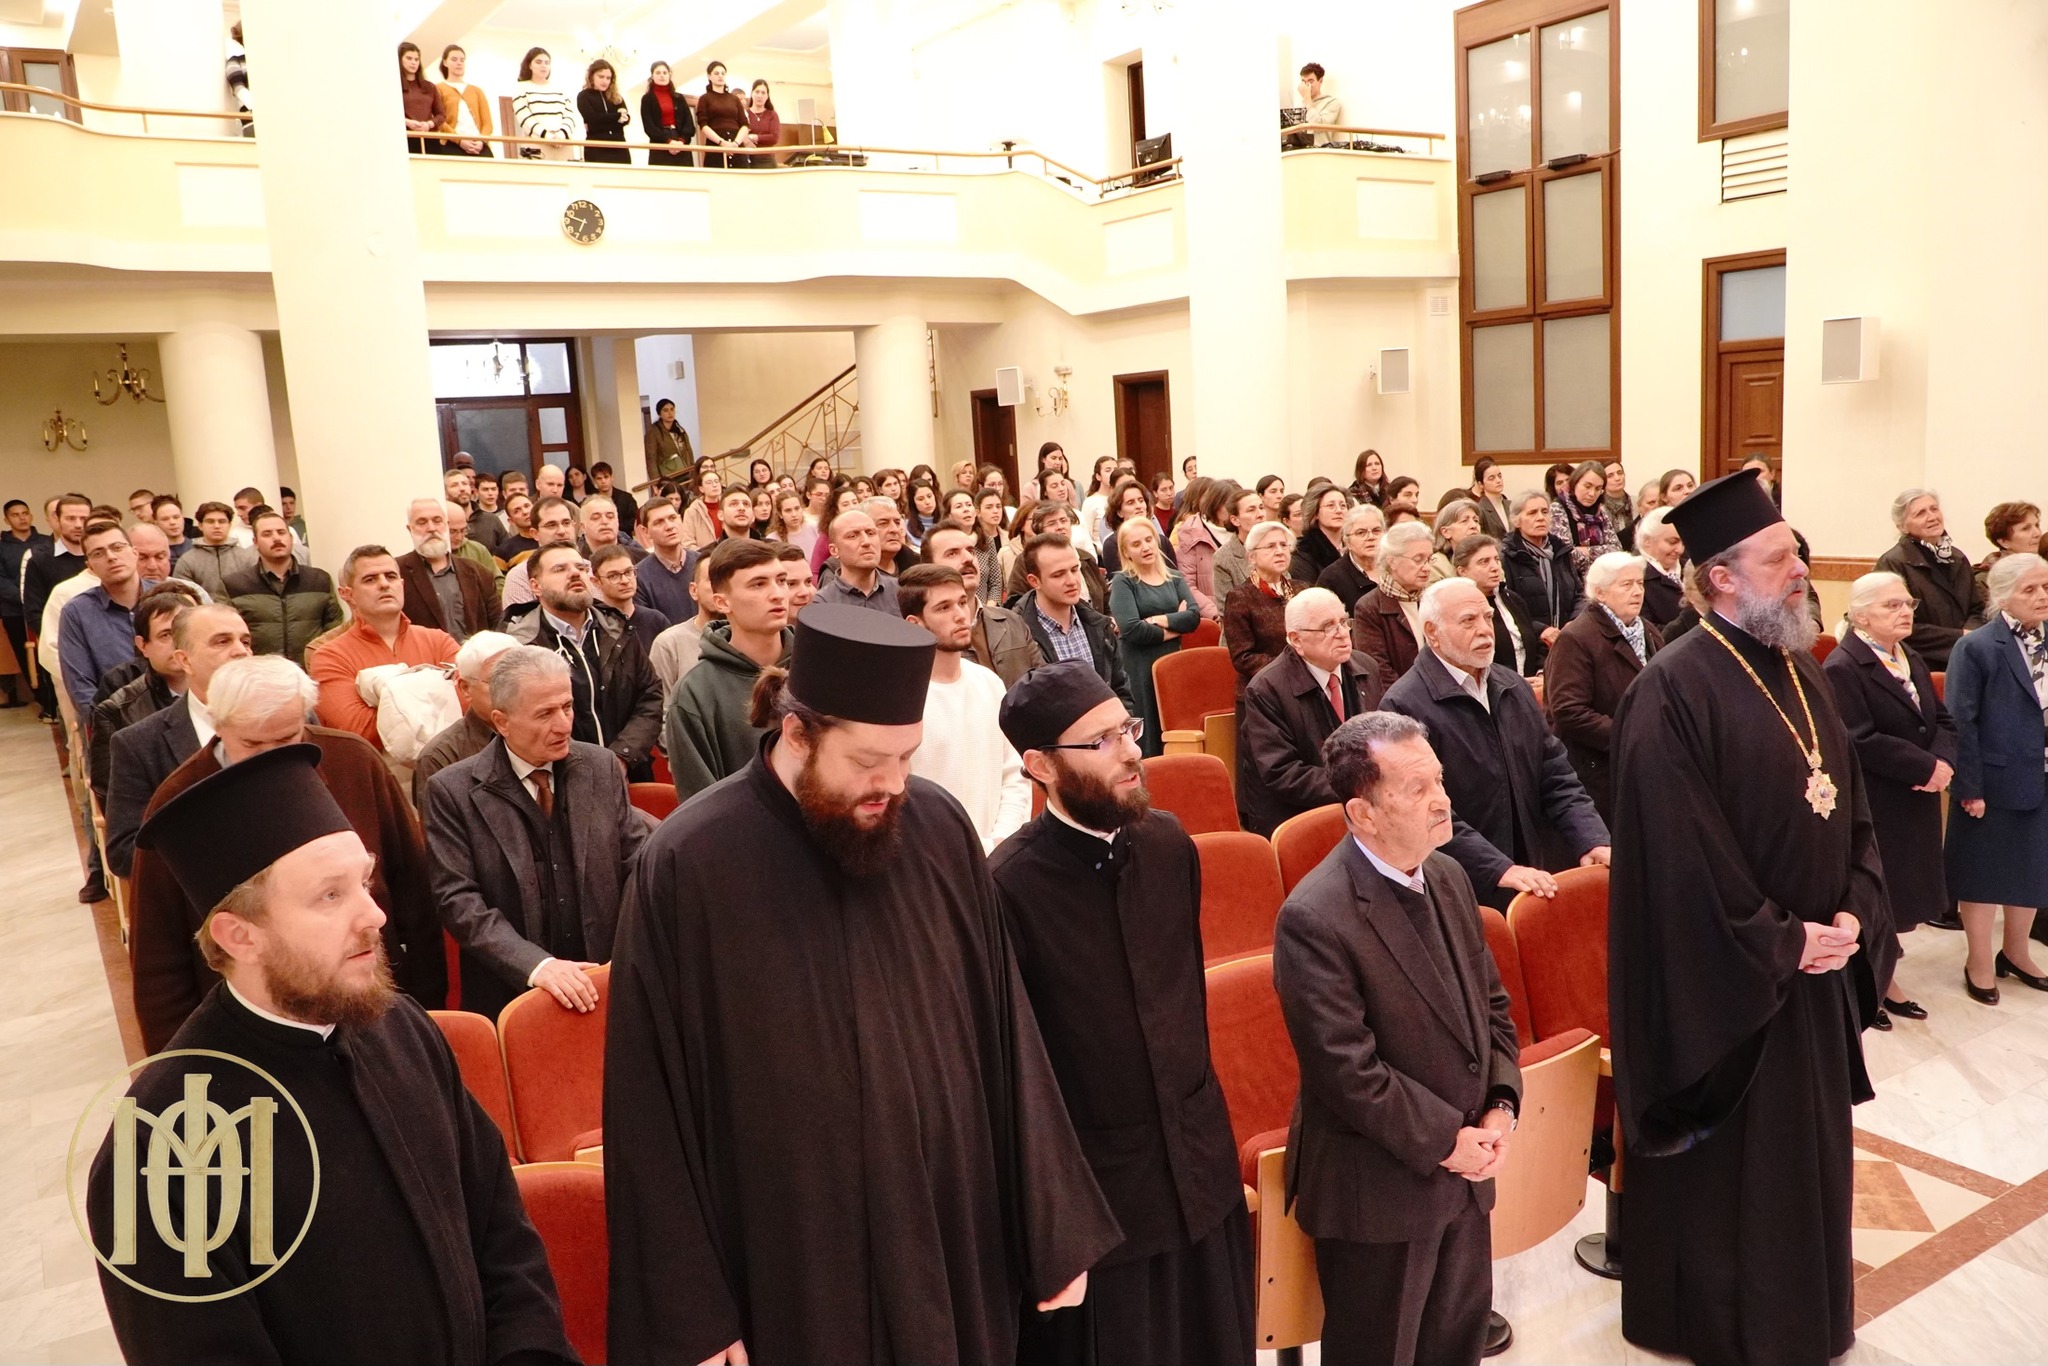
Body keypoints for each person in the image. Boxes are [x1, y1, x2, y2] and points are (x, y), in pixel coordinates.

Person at [606, 604, 1118, 1362]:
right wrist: (693, 1317)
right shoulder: (690, 862)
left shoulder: (936, 828)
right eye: (868, 761)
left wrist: (1052, 1226)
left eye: (907, 756)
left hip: (951, 1226)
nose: (893, 784)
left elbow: (1005, 1028)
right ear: (797, 733)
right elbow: (648, 1101)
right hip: (795, 1254)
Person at [89, 744, 574, 1366]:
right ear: (240, 936)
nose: (375, 915)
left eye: (364, 883)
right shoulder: (159, 1147)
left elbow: (502, 1233)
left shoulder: (401, 1026)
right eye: (330, 896)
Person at [1607, 468, 1891, 1363]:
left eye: (1797, 554)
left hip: (1815, 972)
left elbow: (1850, 808)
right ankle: (1727, 1327)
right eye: (1778, 560)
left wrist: (1855, 911)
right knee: (1738, 1176)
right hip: (1727, 991)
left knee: (1807, 1161)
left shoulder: (1802, 670)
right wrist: (1780, 940)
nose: (1801, 570)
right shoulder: (1671, 689)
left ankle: (1808, 1314)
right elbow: (1678, 858)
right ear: (1721, 577)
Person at [991, 663, 1257, 1365]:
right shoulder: (1007, 888)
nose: (1131, 752)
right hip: (1104, 1208)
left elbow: (1187, 1007)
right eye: (1100, 742)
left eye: (1128, 730)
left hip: (1203, 1175)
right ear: (1040, 766)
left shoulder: (1168, 845)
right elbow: (1019, 1081)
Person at [1273, 711, 1522, 1366]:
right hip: (1379, 1191)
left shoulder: (1449, 876)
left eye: (1438, 780)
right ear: (1363, 814)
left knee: (1457, 1346)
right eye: (1417, 788)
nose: (1442, 799)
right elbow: (1347, 1072)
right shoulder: (1313, 917)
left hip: (1467, 1175)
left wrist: (1501, 1105)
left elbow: (1493, 1009)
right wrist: (1449, 1142)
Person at [127, 654, 447, 1050]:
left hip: (371, 1007)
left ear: (304, 718)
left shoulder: (354, 762)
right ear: (217, 724)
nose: (270, 756)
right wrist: (178, 1060)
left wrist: (427, 1010)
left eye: (286, 739)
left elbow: (415, 893)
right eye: (252, 743)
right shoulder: (178, 803)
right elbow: (158, 958)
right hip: (249, 1033)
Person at [426, 646, 649, 1020]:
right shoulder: (452, 791)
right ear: (502, 722)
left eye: (567, 706)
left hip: (606, 985)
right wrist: (536, 966)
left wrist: (628, 954)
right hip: (510, 997)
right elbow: (458, 902)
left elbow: (637, 865)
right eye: (545, 714)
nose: (563, 725)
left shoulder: (601, 766)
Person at [1382, 578, 1610, 910]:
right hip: (1460, 886)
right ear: (1432, 632)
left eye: (1487, 617)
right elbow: (1424, 810)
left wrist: (1591, 839)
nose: (1485, 630)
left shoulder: (1511, 685)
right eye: (1468, 621)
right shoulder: (1403, 705)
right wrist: (1498, 868)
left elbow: (1555, 774)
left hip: (1531, 870)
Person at [1824, 572, 1954, 1022]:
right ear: (1860, 616)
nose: (1905, 612)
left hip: (1915, 794)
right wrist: (1923, 767)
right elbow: (1857, 737)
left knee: (1903, 893)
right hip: (1879, 798)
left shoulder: (1908, 654)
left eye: (1908, 604)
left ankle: (1883, 975)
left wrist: (1943, 762)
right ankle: (1873, 985)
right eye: (1891, 605)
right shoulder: (1843, 666)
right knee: (1876, 893)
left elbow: (1941, 718)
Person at [1944, 552, 2048, 1006]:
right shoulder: (1977, 648)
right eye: (2030, 589)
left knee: (2033, 868)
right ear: (2002, 596)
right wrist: (1968, 787)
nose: (2042, 596)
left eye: (2046, 587)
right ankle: (1979, 960)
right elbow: (1960, 722)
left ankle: (2017, 951)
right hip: (1994, 780)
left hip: (2042, 774)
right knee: (1983, 875)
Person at [105, 603, 253, 878]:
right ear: (184, 660)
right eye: (222, 642)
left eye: (245, 641)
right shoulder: (139, 744)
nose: (240, 651)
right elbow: (124, 853)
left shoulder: (295, 719)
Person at [502, 543, 664, 781]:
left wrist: (621, 757)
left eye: (580, 567)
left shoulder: (618, 629)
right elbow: (526, 719)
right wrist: (585, 768)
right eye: (560, 569)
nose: (575, 573)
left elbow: (650, 696)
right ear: (536, 586)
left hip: (629, 774)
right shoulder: (520, 645)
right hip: (560, 780)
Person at [897, 566, 1029, 853]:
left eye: (961, 602)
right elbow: (901, 799)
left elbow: (1014, 774)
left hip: (999, 854)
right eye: (943, 607)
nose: (960, 614)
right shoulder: (900, 698)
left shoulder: (989, 683)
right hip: (934, 858)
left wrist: (1002, 840)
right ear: (915, 624)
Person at [1238, 586, 1387, 836]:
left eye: (1343, 622)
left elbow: (1381, 740)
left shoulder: (1366, 667)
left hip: (1364, 808)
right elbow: (1282, 773)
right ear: (1296, 639)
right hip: (1298, 819)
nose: (1342, 634)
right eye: (1328, 627)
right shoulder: (1266, 689)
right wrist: (1359, 785)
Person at [665, 539, 793, 800]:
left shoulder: (818, 669)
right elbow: (700, 806)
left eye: (781, 581)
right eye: (758, 584)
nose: (778, 594)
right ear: (722, 603)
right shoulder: (694, 694)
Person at [1542, 552, 1661, 821]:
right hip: (1599, 772)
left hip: (1645, 762)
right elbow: (1568, 710)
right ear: (1600, 593)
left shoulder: (1648, 630)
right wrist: (1630, 735)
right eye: (1626, 584)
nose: (1637, 592)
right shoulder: (1577, 638)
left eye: (1640, 583)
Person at [306, 546, 460, 749]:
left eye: (391, 576)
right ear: (347, 594)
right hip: (378, 766)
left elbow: (471, 703)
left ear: (401, 585)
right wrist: (439, 701)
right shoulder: (330, 657)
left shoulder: (439, 641)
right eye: (370, 579)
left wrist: (391, 706)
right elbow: (357, 728)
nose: (384, 584)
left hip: (450, 760)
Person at [88, 591, 189, 804]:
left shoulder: (225, 694)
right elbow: (113, 795)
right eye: (166, 635)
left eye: (184, 632)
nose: (178, 643)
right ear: (143, 645)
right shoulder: (117, 710)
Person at [1113, 516, 1202, 756]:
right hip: (1139, 666)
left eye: (1149, 540)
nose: (1145, 547)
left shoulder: (1173, 576)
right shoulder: (1123, 581)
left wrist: (1157, 619)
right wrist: (1176, 625)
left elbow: (1193, 617)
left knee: (1173, 729)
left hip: (1172, 663)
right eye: (1136, 544)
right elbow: (1133, 630)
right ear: (1126, 552)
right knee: (1148, 734)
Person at [921, 521, 1047, 688]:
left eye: (970, 551)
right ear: (929, 567)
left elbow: (1045, 684)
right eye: (952, 553)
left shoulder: (1013, 621)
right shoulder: (925, 635)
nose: (968, 558)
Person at [1017, 534, 1133, 711]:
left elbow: (1120, 689)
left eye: (1074, 569)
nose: (1072, 581)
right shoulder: (1017, 635)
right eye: (1058, 575)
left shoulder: (1098, 625)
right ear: (1035, 581)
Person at [1876, 487, 1985, 670]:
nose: (1932, 517)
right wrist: (1959, 637)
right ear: (1902, 527)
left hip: (1965, 657)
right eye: (1920, 513)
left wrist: (1971, 635)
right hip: (1920, 663)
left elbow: (1977, 608)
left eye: (1934, 509)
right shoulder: (1893, 563)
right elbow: (1895, 623)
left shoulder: (1957, 557)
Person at [57, 521, 152, 722]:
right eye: (98, 553)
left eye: (117, 547)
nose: (111, 557)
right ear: (89, 566)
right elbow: (81, 688)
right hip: (113, 724)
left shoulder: (168, 597)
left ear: (135, 552)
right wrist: (107, 727)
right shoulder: (76, 613)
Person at [221, 509, 342, 665]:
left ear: (290, 538)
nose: (276, 538)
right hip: (257, 672)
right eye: (267, 534)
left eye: (281, 532)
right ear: (255, 542)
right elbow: (225, 633)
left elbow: (334, 628)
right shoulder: (234, 585)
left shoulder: (319, 580)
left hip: (310, 671)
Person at [415, 629, 518, 808]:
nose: (511, 690)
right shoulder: (440, 756)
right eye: (497, 680)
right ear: (465, 688)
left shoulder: (547, 729)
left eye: (518, 678)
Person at [1223, 520, 1304, 692]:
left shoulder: (1302, 589)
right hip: (1264, 688)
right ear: (1252, 557)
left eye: (1284, 545)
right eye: (1270, 546)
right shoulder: (1240, 597)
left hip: (1306, 682)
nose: (1280, 551)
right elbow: (1243, 657)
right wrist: (1291, 666)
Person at [1498, 492, 1582, 648]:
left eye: (1544, 512)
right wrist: (1540, 630)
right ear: (1516, 521)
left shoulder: (1561, 550)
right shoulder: (1507, 556)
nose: (1540, 518)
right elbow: (1507, 606)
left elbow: (1579, 593)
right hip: (1531, 643)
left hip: (1566, 639)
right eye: (1532, 513)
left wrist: (1574, 622)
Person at [1351, 520, 1432, 682]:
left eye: (1430, 559)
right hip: (1399, 695)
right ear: (1392, 561)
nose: (1427, 567)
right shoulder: (1369, 608)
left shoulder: (1432, 600)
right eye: (1418, 559)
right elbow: (1378, 671)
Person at [1455, 534, 1544, 679]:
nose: (1495, 567)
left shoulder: (1513, 600)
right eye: (1484, 562)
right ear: (1462, 571)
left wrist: (1541, 673)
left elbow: (1534, 643)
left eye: (1496, 560)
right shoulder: (1460, 610)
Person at [1001, 500, 1109, 611]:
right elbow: (1016, 602)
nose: (1060, 527)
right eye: (1052, 523)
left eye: (1063, 520)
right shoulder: (1026, 560)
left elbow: (1105, 599)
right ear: (1040, 530)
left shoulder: (1086, 557)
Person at [649, 554, 719, 699]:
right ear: (694, 590)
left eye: (728, 579)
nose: (722, 587)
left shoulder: (756, 639)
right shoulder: (669, 643)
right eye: (713, 579)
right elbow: (660, 707)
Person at [813, 508, 900, 613]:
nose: (866, 542)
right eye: (853, 536)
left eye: (870, 533)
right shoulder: (823, 602)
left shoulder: (900, 592)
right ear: (834, 550)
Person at [501, 496, 580, 606]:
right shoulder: (520, 577)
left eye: (566, 523)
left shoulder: (589, 569)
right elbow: (523, 617)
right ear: (535, 533)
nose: (562, 531)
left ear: (574, 526)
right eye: (551, 525)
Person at [592, 543, 670, 654]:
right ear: (596, 582)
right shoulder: (593, 625)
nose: (625, 581)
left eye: (628, 572)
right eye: (613, 576)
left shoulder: (656, 621)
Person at [172, 499, 253, 598]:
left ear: (229, 525)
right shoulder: (187, 561)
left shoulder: (246, 558)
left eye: (222, 521)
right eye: (210, 521)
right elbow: (182, 598)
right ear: (200, 525)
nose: (217, 526)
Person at [1550, 460, 1622, 572]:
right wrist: (1603, 554)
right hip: (1572, 579)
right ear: (1574, 483)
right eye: (1587, 486)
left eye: (1598, 489)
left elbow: (1617, 550)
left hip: (1602, 576)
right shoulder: (1557, 508)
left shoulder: (1599, 511)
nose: (1592, 493)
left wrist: (1585, 551)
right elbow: (1566, 556)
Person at [1316, 502, 1385, 614]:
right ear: (1347, 542)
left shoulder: (1396, 569)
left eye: (1376, 531)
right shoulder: (1331, 578)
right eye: (1361, 532)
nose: (1371, 537)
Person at [1974, 500, 2041, 609]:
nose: (2037, 533)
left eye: (2037, 525)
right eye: (2026, 528)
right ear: (2004, 542)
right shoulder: (1986, 580)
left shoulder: (2043, 566)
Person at [512, 47, 575, 160]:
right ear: (529, 65)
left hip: (562, 143)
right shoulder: (521, 88)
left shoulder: (560, 89)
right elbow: (524, 118)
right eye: (538, 62)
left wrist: (561, 135)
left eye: (547, 63)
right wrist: (547, 136)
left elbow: (569, 114)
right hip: (535, 143)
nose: (543, 66)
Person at [432, 43, 494, 157]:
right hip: (451, 144)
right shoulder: (438, 88)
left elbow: (487, 124)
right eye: (454, 59)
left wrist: (481, 141)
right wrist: (459, 140)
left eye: (462, 60)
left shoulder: (476, 90)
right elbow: (439, 120)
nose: (459, 63)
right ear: (445, 62)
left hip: (479, 145)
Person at [1633, 507, 1686, 631]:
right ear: (1647, 540)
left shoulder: (1691, 567)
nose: (1680, 550)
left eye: (1683, 542)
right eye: (1672, 542)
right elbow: (1646, 630)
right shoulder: (1634, 577)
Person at [692, 60, 747, 167]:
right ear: (709, 76)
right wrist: (722, 142)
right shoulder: (704, 98)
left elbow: (744, 124)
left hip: (736, 142)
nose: (720, 76)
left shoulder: (734, 99)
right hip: (715, 142)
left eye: (723, 73)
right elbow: (703, 125)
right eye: (716, 73)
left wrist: (736, 144)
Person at [641, 62, 697, 167]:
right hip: (660, 143)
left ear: (669, 75)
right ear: (652, 76)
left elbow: (689, 123)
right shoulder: (647, 99)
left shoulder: (679, 98)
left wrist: (681, 141)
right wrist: (668, 142)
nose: (662, 75)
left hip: (681, 143)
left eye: (664, 73)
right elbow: (649, 126)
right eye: (658, 73)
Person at [577, 58, 632, 164]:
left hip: (619, 147)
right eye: (601, 76)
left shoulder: (616, 97)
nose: (605, 81)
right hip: (596, 147)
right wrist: (616, 117)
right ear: (592, 76)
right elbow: (592, 119)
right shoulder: (584, 96)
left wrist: (619, 118)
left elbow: (626, 118)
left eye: (608, 78)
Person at [398, 41, 440, 152]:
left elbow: (441, 115)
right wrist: (407, 122)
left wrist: (428, 124)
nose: (413, 63)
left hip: (430, 138)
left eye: (416, 59)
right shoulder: (395, 86)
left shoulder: (430, 87)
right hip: (405, 138)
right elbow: (389, 114)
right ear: (400, 59)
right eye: (409, 58)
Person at [1428, 501, 1482, 585]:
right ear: (1446, 532)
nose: (1474, 526)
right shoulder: (1436, 565)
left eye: (1476, 520)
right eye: (1464, 521)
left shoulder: (1491, 557)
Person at [1295, 60, 1341, 144]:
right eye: (1304, 81)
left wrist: (1307, 99)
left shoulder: (1331, 102)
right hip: (1300, 149)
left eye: (1310, 81)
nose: (1307, 86)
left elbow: (1317, 126)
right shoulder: (1299, 104)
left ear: (1320, 81)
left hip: (1320, 149)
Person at [738, 78, 781, 166]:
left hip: (767, 160)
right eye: (757, 92)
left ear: (767, 96)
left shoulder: (772, 114)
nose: (759, 95)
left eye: (763, 93)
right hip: (747, 158)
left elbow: (774, 137)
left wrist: (756, 137)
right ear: (752, 94)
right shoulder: (744, 114)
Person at [590, 462, 639, 536]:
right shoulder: (590, 501)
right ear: (594, 480)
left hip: (624, 539)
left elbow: (635, 520)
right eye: (599, 478)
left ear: (612, 477)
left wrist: (614, 525)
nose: (603, 481)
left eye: (606, 477)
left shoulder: (626, 498)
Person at [1602, 461, 1637, 551]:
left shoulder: (1637, 502)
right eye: (1610, 476)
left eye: (1620, 473)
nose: (1617, 478)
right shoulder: (1598, 508)